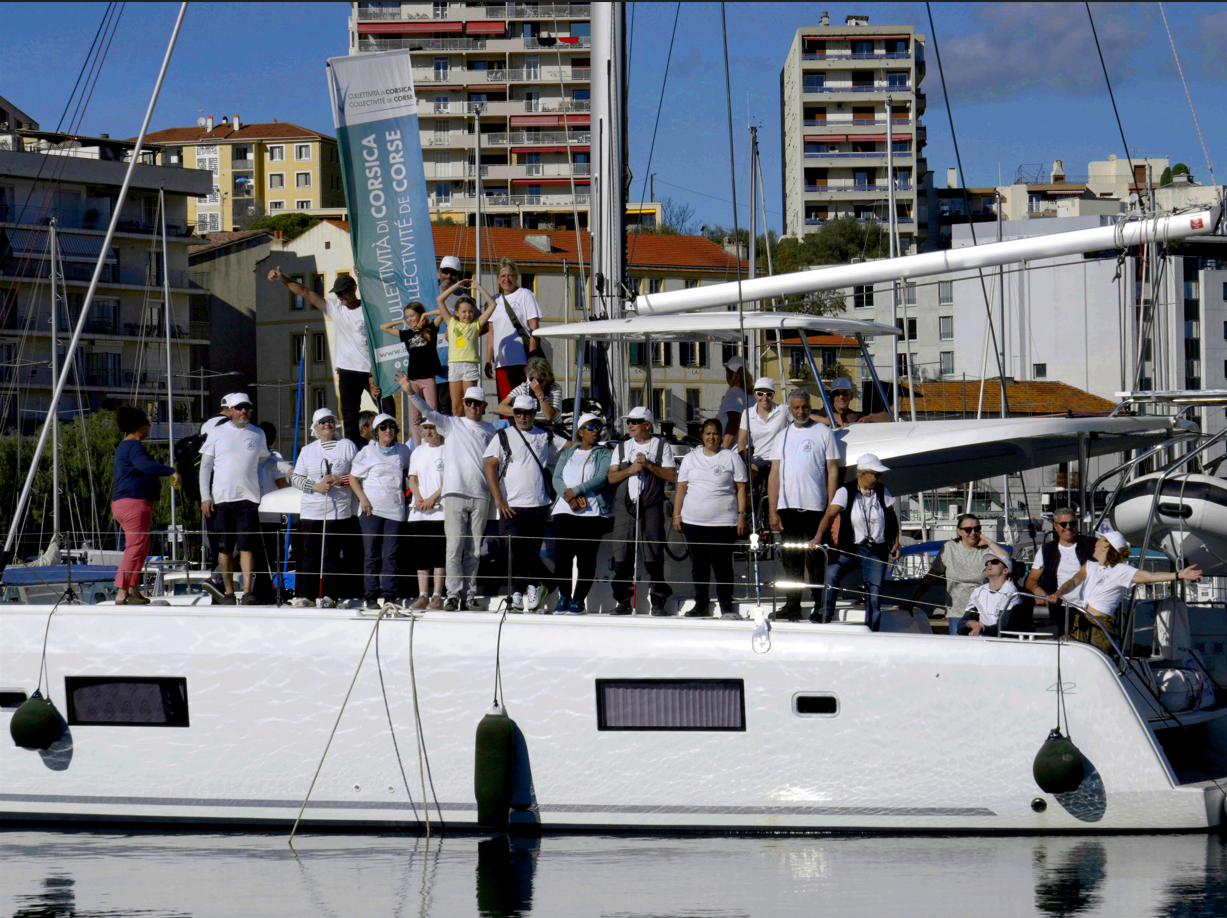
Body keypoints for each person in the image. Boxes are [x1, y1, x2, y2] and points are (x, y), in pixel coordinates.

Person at [267, 267, 392, 445]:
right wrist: (282, 278)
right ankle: (352, 453)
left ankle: (390, 447)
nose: (340, 297)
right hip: (348, 370)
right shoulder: (335, 308)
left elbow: (379, 343)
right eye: (338, 294)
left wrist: (372, 374)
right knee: (349, 417)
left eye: (343, 293)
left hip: (371, 369)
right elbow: (306, 292)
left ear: (354, 289)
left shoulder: (369, 311)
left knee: (386, 409)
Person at [401, 376, 495, 610]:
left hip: (481, 496)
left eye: (477, 403)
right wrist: (410, 392)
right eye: (469, 402)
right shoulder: (453, 424)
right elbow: (428, 412)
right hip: (454, 495)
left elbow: (498, 464)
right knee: (453, 548)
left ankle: (470, 596)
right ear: (464, 404)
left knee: (473, 551)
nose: (472, 406)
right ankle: (452, 596)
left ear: (484, 406)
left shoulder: (491, 430)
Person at [1047, 530, 1202, 653]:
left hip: (1100, 626)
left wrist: (1179, 575)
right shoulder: (1090, 566)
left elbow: (1149, 576)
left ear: (1106, 546)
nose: (1095, 543)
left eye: (1100, 540)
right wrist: (1059, 592)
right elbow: (1074, 581)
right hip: (1081, 621)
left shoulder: (1121, 570)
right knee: (1062, 652)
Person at [199, 394, 289, 604]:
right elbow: (205, 467)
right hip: (221, 499)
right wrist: (206, 497)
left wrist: (288, 469)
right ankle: (228, 592)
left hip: (249, 498)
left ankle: (248, 591)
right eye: (239, 408)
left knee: (248, 547)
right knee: (225, 548)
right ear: (230, 411)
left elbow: (267, 462)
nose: (243, 411)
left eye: (247, 407)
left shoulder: (258, 434)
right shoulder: (217, 433)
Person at [484, 395, 565, 611]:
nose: (521, 416)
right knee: (511, 549)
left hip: (538, 504)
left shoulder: (545, 434)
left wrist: (595, 447)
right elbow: (490, 466)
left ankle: (522, 590)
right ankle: (529, 586)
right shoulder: (503, 435)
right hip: (511, 504)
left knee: (530, 550)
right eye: (517, 412)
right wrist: (499, 499)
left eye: (526, 413)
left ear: (533, 413)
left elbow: (569, 447)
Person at [767, 388, 839, 621]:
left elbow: (832, 471)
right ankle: (792, 605)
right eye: (797, 407)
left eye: (805, 407)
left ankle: (820, 606)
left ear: (810, 408)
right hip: (788, 509)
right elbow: (774, 475)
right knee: (791, 561)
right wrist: (773, 510)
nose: (801, 411)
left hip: (816, 508)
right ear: (790, 410)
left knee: (818, 560)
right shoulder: (782, 436)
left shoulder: (824, 432)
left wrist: (832, 506)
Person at [810, 453, 900, 629]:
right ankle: (824, 614)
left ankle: (872, 627)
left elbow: (891, 516)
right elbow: (829, 515)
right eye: (876, 474)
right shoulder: (846, 491)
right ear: (863, 474)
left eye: (879, 475)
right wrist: (817, 537)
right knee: (832, 573)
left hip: (877, 549)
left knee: (875, 591)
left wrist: (895, 541)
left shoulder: (882, 490)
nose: (878, 478)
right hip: (851, 549)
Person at [673, 417, 748, 619]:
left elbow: (741, 488)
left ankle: (726, 606)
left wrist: (742, 516)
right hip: (692, 521)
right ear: (702, 436)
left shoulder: (731, 458)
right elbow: (681, 488)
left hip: (723, 522)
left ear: (721, 435)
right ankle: (701, 604)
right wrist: (676, 515)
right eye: (708, 433)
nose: (711, 437)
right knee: (699, 565)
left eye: (715, 433)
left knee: (722, 565)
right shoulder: (690, 458)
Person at [606, 406, 677, 615]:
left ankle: (658, 601)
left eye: (635, 422)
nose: (630, 425)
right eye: (629, 421)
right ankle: (623, 601)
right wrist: (630, 470)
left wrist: (648, 465)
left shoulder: (661, 447)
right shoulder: (621, 448)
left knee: (654, 554)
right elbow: (611, 478)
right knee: (622, 555)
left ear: (647, 425)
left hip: (651, 506)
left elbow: (671, 475)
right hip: (624, 509)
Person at [110, 406, 181, 604]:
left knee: (142, 546)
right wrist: (170, 471)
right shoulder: (133, 446)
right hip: (133, 502)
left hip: (126, 503)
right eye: (147, 424)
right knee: (135, 547)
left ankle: (133, 590)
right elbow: (146, 465)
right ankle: (122, 592)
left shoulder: (126, 446)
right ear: (140, 426)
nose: (149, 427)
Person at [290, 407, 357, 606]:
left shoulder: (347, 446)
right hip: (311, 510)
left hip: (338, 511)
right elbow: (296, 478)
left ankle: (331, 596)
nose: (327, 424)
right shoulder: (307, 450)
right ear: (315, 428)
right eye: (322, 422)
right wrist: (316, 486)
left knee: (331, 554)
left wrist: (339, 480)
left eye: (330, 420)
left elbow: (359, 475)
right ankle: (307, 595)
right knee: (310, 554)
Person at [550, 412, 614, 614]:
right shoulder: (569, 453)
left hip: (592, 512)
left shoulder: (604, 453)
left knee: (586, 558)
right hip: (564, 510)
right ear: (580, 432)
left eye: (598, 428)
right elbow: (557, 478)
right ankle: (564, 597)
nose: (596, 431)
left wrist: (576, 492)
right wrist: (568, 497)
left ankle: (579, 600)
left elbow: (602, 477)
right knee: (563, 557)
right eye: (591, 427)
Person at [348, 413, 412, 611]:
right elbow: (352, 478)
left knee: (391, 555)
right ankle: (370, 595)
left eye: (391, 427)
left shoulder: (403, 450)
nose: (388, 431)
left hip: (395, 510)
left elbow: (412, 473)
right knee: (372, 553)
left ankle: (390, 596)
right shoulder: (367, 451)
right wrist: (363, 499)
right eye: (383, 427)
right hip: (371, 510)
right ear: (376, 432)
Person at [901, 514, 1011, 617]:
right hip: (956, 614)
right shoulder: (949, 548)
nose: (973, 533)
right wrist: (911, 603)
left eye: (977, 529)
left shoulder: (986, 551)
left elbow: (1006, 559)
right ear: (959, 531)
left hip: (983, 614)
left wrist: (988, 541)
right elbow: (930, 579)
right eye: (968, 530)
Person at [379, 300, 441, 445]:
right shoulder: (407, 333)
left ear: (420, 314)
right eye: (407, 317)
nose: (410, 319)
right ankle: (418, 448)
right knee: (415, 418)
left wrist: (426, 314)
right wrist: (402, 321)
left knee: (432, 414)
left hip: (428, 378)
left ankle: (435, 443)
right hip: (412, 380)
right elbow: (384, 327)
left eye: (413, 315)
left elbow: (442, 313)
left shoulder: (431, 328)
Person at [435, 278, 498, 417]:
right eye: (463, 312)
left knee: (471, 404)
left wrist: (478, 287)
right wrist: (456, 285)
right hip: (454, 366)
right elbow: (440, 300)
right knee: (456, 407)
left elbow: (493, 305)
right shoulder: (451, 323)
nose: (467, 315)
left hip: (470, 365)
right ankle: (458, 433)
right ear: (457, 313)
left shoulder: (476, 325)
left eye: (470, 312)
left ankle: (471, 429)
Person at [485, 257, 542, 402]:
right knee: (504, 404)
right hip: (502, 362)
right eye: (503, 276)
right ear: (498, 279)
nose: (506, 279)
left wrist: (532, 358)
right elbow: (491, 333)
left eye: (510, 275)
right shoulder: (494, 301)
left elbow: (534, 329)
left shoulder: (526, 295)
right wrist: (488, 360)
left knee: (524, 403)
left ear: (516, 276)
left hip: (522, 360)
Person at [406, 418, 447, 611]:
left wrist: (432, 498)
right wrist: (419, 498)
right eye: (426, 428)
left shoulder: (448, 450)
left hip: (440, 510)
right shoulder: (418, 451)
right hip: (419, 511)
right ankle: (422, 595)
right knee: (420, 556)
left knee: (439, 555)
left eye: (432, 428)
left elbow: (449, 480)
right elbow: (412, 479)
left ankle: (437, 595)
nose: (429, 432)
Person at [1025, 509, 1097, 614]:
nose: (1068, 527)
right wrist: (1036, 589)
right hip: (1061, 607)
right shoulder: (1046, 550)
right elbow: (1031, 579)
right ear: (1055, 526)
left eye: (1072, 523)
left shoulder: (1091, 545)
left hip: (1092, 607)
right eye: (1063, 524)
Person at [254, 420, 289, 602]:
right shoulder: (274, 456)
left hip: (254, 512)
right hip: (272, 514)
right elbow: (281, 483)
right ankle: (270, 591)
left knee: (259, 556)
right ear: (274, 439)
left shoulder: (251, 455)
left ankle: (260, 589)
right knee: (274, 556)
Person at [957, 553, 1022, 637]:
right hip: (983, 641)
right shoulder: (978, 591)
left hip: (1003, 642)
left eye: (994, 562)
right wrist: (969, 623)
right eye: (987, 563)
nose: (989, 565)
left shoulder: (1009, 589)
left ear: (1005, 570)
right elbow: (960, 626)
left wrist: (983, 628)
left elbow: (1004, 626)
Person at [737, 377, 788, 476]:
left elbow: (803, 416)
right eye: (760, 394)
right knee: (742, 477)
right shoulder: (748, 413)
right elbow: (742, 441)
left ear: (773, 395)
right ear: (755, 394)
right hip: (758, 459)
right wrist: (742, 464)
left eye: (769, 394)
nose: (764, 398)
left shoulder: (782, 410)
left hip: (779, 458)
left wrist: (826, 420)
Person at [496, 355, 564, 424]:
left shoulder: (555, 389)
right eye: (532, 380)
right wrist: (522, 413)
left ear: (548, 378)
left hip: (550, 428)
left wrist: (540, 394)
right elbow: (500, 408)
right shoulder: (524, 387)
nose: (536, 384)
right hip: (529, 427)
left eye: (540, 380)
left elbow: (549, 416)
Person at [813, 378, 892, 427]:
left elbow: (889, 418)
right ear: (832, 397)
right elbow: (841, 418)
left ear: (851, 396)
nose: (841, 396)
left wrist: (869, 418)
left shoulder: (855, 414)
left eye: (845, 393)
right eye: (837, 394)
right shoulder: (824, 412)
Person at [715, 356, 751, 449]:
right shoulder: (751, 394)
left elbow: (733, 423)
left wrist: (724, 449)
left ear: (729, 373)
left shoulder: (733, 393)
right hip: (747, 448)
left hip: (734, 449)